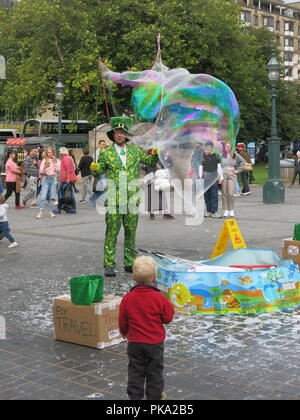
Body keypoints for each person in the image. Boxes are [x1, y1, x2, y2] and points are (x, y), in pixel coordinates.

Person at [91, 116, 158, 277]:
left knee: (130, 232)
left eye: (122, 132)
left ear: (126, 135)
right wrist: (95, 168)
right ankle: (109, 263)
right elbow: (99, 171)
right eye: (116, 132)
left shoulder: (135, 151)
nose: (119, 135)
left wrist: (154, 154)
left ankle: (129, 262)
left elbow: (149, 161)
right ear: (113, 135)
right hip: (114, 199)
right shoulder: (106, 153)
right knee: (111, 233)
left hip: (132, 199)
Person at [118, 256, 174, 401]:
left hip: (135, 342)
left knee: (135, 371)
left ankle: (135, 397)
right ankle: (155, 397)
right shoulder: (159, 298)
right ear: (155, 277)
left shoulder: (128, 297)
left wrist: (124, 332)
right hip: (154, 343)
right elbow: (167, 318)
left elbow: (122, 319)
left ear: (133, 277)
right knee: (154, 372)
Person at [199, 141, 223, 218]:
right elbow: (200, 167)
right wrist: (200, 177)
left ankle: (214, 211)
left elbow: (219, 166)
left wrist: (221, 176)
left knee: (214, 194)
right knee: (206, 194)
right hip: (205, 177)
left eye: (210, 147)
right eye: (207, 147)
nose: (208, 148)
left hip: (213, 176)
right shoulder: (202, 155)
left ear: (212, 148)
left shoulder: (216, 155)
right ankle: (209, 211)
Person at [221, 142, 246, 218]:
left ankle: (231, 209)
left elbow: (243, 162)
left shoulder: (235, 155)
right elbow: (217, 165)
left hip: (231, 175)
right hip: (223, 174)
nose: (227, 148)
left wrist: (237, 171)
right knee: (224, 193)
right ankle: (226, 209)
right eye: (226, 146)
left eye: (229, 146)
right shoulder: (221, 155)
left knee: (231, 193)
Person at [36, 147, 60, 219]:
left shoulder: (56, 160)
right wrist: (45, 167)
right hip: (46, 179)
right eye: (48, 152)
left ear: (53, 153)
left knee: (52, 197)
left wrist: (55, 162)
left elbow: (58, 170)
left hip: (53, 179)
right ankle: (40, 211)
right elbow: (40, 172)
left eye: (51, 152)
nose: (49, 154)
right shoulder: (44, 160)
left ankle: (51, 211)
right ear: (46, 153)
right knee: (43, 196)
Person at [55, 147, 77, 214]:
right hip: (66, 179)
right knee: (68, 193)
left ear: (62, 152)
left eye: (60, 151)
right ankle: (68, 208)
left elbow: (68, 170)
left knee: (63, 193)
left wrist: (67, 178)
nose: (59, 153)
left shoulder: (66, 158)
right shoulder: (67, 158)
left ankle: (63, 208)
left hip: (66, 179)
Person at [89, 140, 108, 207]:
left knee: (103, 189)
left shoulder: (106, 152)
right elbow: (95, 164)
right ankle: (103, 202)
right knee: (104, 189)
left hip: (106, 172)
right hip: (100, 173)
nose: (104, 145)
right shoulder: (97, 154)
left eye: (104, 144)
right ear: (99, 145)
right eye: (102, 144)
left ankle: (92, 198)